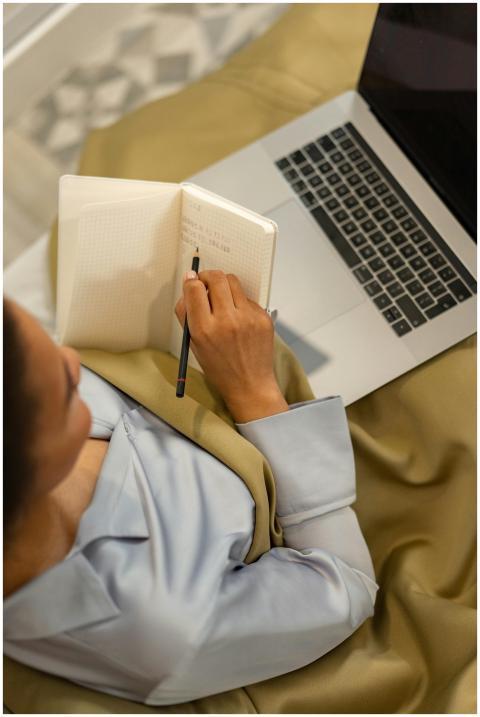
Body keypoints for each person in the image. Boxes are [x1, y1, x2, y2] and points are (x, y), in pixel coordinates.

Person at [3, 269, 378, 706]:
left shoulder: (18, 405)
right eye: (67, 390)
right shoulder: (165, 627)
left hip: (212, 343)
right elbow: (346, 583)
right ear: (33, 467)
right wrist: (256, 393)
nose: (70, 359)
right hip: (318, 445)